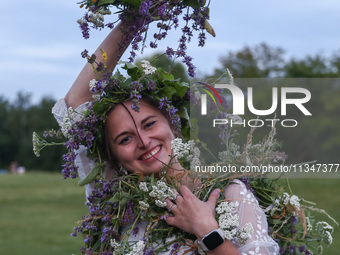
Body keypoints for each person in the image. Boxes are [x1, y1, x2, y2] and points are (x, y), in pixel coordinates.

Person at [52, 21, 279, 254]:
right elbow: (76, 102)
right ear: (113, 156)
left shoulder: (227, 195)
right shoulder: (117, 200)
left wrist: (207, 229)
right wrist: (135, 17)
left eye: (149, 124)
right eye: (125, 139)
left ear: (172, 123)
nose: (143, 141)